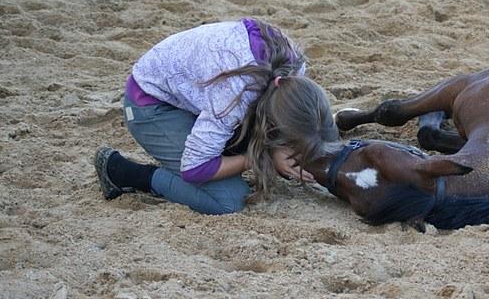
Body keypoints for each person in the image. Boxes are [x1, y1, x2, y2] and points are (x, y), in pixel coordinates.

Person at [94, 18, 338, 215]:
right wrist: (259, 158)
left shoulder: (294, 73)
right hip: (150, 105)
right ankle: (126, 173)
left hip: (194, 92)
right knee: (229, 201)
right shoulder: (233, 96)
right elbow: (195, 168)